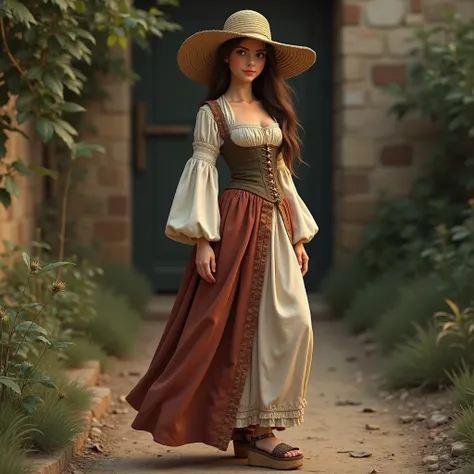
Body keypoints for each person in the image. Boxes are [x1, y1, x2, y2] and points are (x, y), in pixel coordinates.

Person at [126, 9, 319, 471]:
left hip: (275, 224)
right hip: (236, 222)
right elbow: (203, 174)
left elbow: (282, 177)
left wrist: (298, 235)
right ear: (227, 58)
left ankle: (258, 424)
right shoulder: (213, 113)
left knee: (292, 323)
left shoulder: (273, 111)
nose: (251, 61)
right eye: (242, 52)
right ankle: (256, 433)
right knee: (230, 324)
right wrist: (202, 240)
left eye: (258, 54)